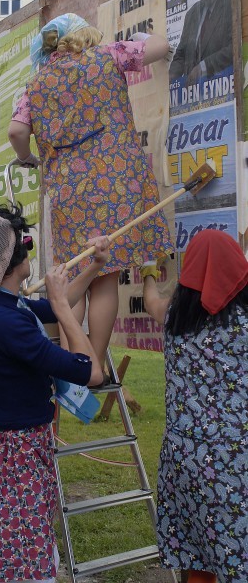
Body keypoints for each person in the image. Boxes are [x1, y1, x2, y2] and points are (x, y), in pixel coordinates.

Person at [0, 204, 110, 582]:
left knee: (20, 551)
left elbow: (57, 308)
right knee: (23, 562)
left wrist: (94, 266)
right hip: (15, 458)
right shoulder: (6, 322)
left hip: (5, 450)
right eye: (24, 245)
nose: (29, 250)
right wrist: (59, 304)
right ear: (11, 261)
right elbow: (92, 372)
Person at [8, 13, 173, 377]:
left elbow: (16, 130)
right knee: (105, 274)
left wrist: (28, 158)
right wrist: (149, 33)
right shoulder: (109, 55)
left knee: (74, 276)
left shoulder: (36, 84)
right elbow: (159, 47)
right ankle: (93, 365)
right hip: (117, 184)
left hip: (69, 192)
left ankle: (70, 365)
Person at [141, 230, 248, 583]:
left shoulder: (174, 319)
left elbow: (151, 300)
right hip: (236, 469)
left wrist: (149, 272)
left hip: (183, 463)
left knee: (197, 551)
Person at [169, 0, 232, 84]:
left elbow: (233, 47)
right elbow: (181, 55)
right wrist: (170, 77)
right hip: (192, 94)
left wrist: (203, 67)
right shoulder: (192, 14)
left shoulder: (231, 1)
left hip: (223, 88)